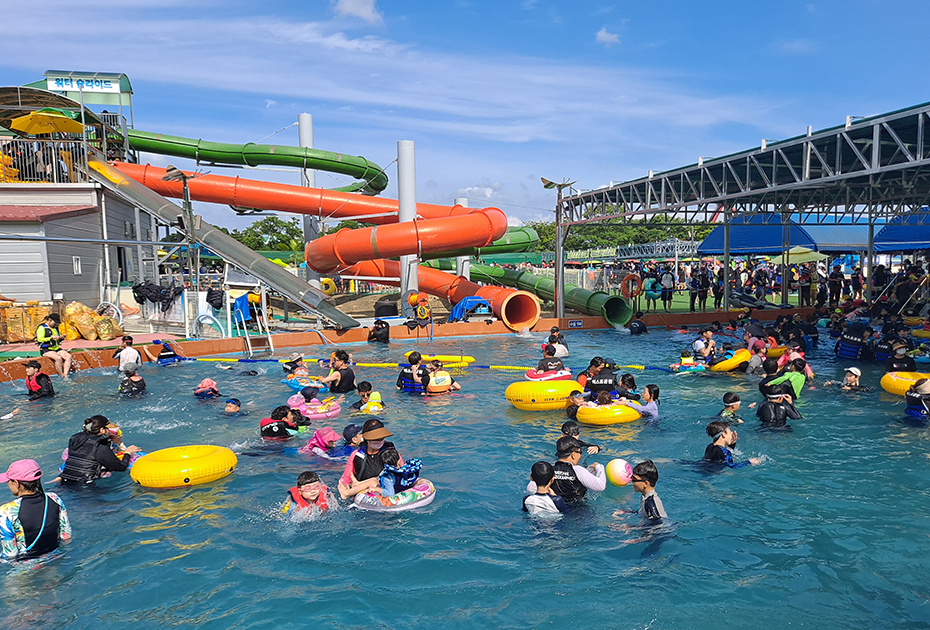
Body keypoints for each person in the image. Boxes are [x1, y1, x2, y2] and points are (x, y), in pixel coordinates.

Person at [0, 459, 71, 559]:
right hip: (55, 557)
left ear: (16, 483)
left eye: (8, 480)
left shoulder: (6, 511)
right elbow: (66, 536)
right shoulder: (55, 498)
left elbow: (10, 554)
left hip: (26, 566)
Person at [525, 437, 605, 507]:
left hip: (555, 508)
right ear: (573, 455)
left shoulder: (548, 470)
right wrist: (599, 467)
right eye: (580, 453)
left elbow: (530, 488)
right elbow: (600, 486)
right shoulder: (578, 470)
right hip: (578, 510)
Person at [60, 415, 141, 483]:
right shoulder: (100, 447)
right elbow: (121, 467)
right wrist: (127, 453)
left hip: (66, 478)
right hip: (85, 484)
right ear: (102, 430)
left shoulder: (75, 439)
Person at [338, 419, 404, 498]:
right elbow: (345, 478)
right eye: (375, 438)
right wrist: (345, 486)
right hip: (364, 495)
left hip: (385, 490)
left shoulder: (391, 454)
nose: (379, 440)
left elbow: (401, 474)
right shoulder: (356, 455)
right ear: (366, 438)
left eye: (381, 437)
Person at [35, 314, 72, 379]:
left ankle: (65, 375)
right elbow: (40, 339)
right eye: (55, 322)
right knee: (58, 358)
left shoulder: (55, 328)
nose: (56, 324)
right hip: (46, 349)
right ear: (50, 320)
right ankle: (61, 375)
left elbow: (57, 338)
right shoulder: (42, 327)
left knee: (68, 356)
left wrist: (61, 337)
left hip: (56, 348)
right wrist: (51, 338)